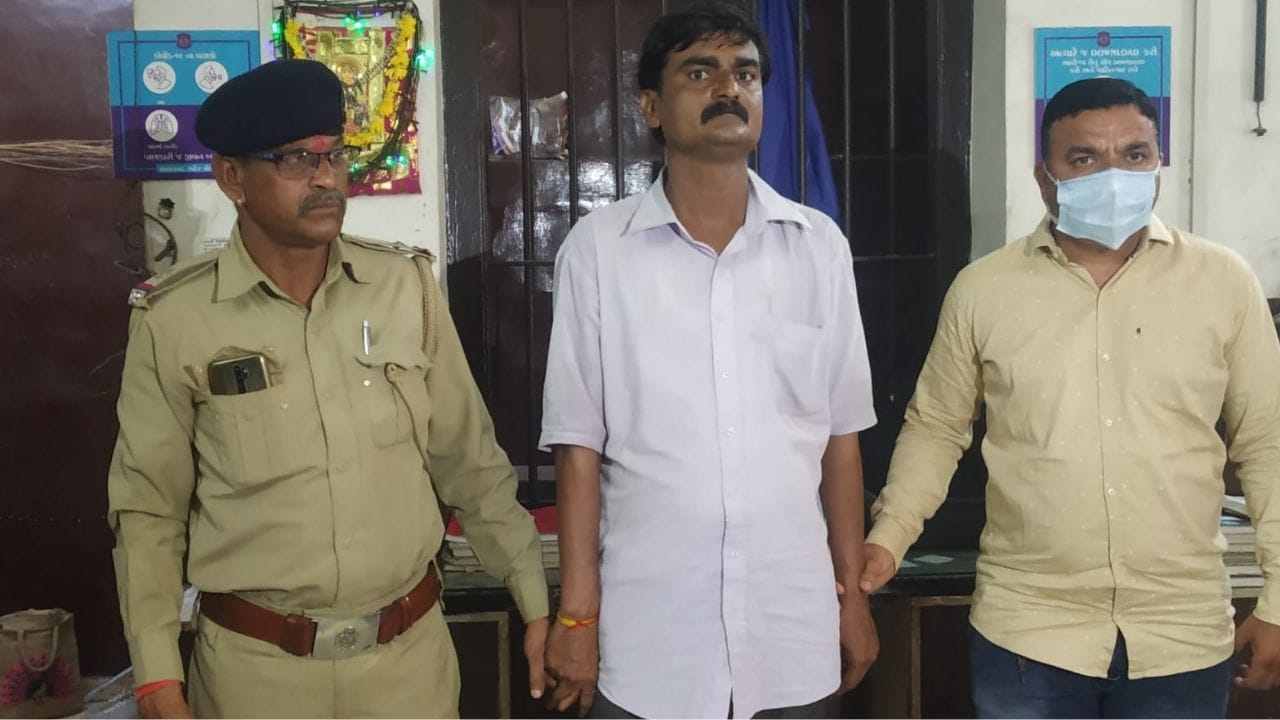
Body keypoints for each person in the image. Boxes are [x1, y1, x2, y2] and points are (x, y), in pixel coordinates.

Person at [107, 59, 550, 718]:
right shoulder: (175, 319)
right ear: (232, 177)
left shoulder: (403, 288)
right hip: (256, 678)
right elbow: (149, 510)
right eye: (295, 159)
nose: (324, 178)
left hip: (408, 670)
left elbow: (470, 460)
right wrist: (156, 674)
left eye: (335, 156)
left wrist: (535, 599)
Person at [859, 76, 1280, 717]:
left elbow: (1267, 440)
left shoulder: (1223, 281)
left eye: (1134, 154)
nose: (1114, 175)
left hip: (1181, 631)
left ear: (1158, 163)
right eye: (1084, 158)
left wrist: (1277, 599)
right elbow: (938, 427)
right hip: (1028, 630)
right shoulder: (985, 290)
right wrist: (889, 536)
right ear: (1045, 177)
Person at [539, 4, 879, 718]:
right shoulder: (598, 251)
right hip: (653, 640)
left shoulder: (818, 246)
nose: (729, 88)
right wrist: (577, 616)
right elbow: (577, 449)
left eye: (745, 74)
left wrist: (851, 598)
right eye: (701, 73)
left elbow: (840, 441)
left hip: (792, 630)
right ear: (651, 106)